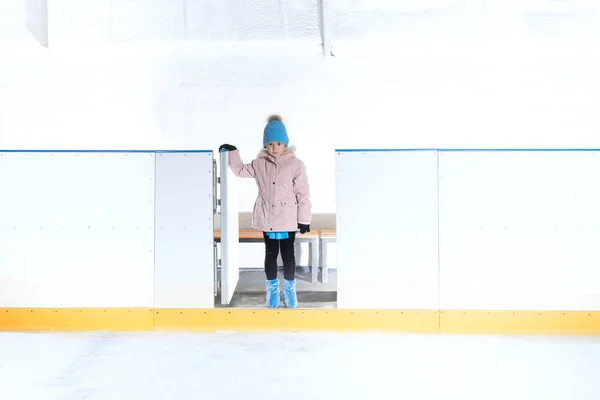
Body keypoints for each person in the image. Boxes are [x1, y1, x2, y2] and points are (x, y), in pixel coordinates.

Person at [219, 114, 311, 309]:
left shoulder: (296, 164)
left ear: (285, 144)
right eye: (270, 144)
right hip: (267, 216)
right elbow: (240, 170)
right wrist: (233, 152)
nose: (274, 148)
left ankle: (289, 290)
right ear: (265, 145)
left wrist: (304, 219)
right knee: (270, 253)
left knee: (288, 254)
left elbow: (303, 193)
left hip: (288, 218)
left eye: (278, 143)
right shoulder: (260, 163)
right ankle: (271, 291)